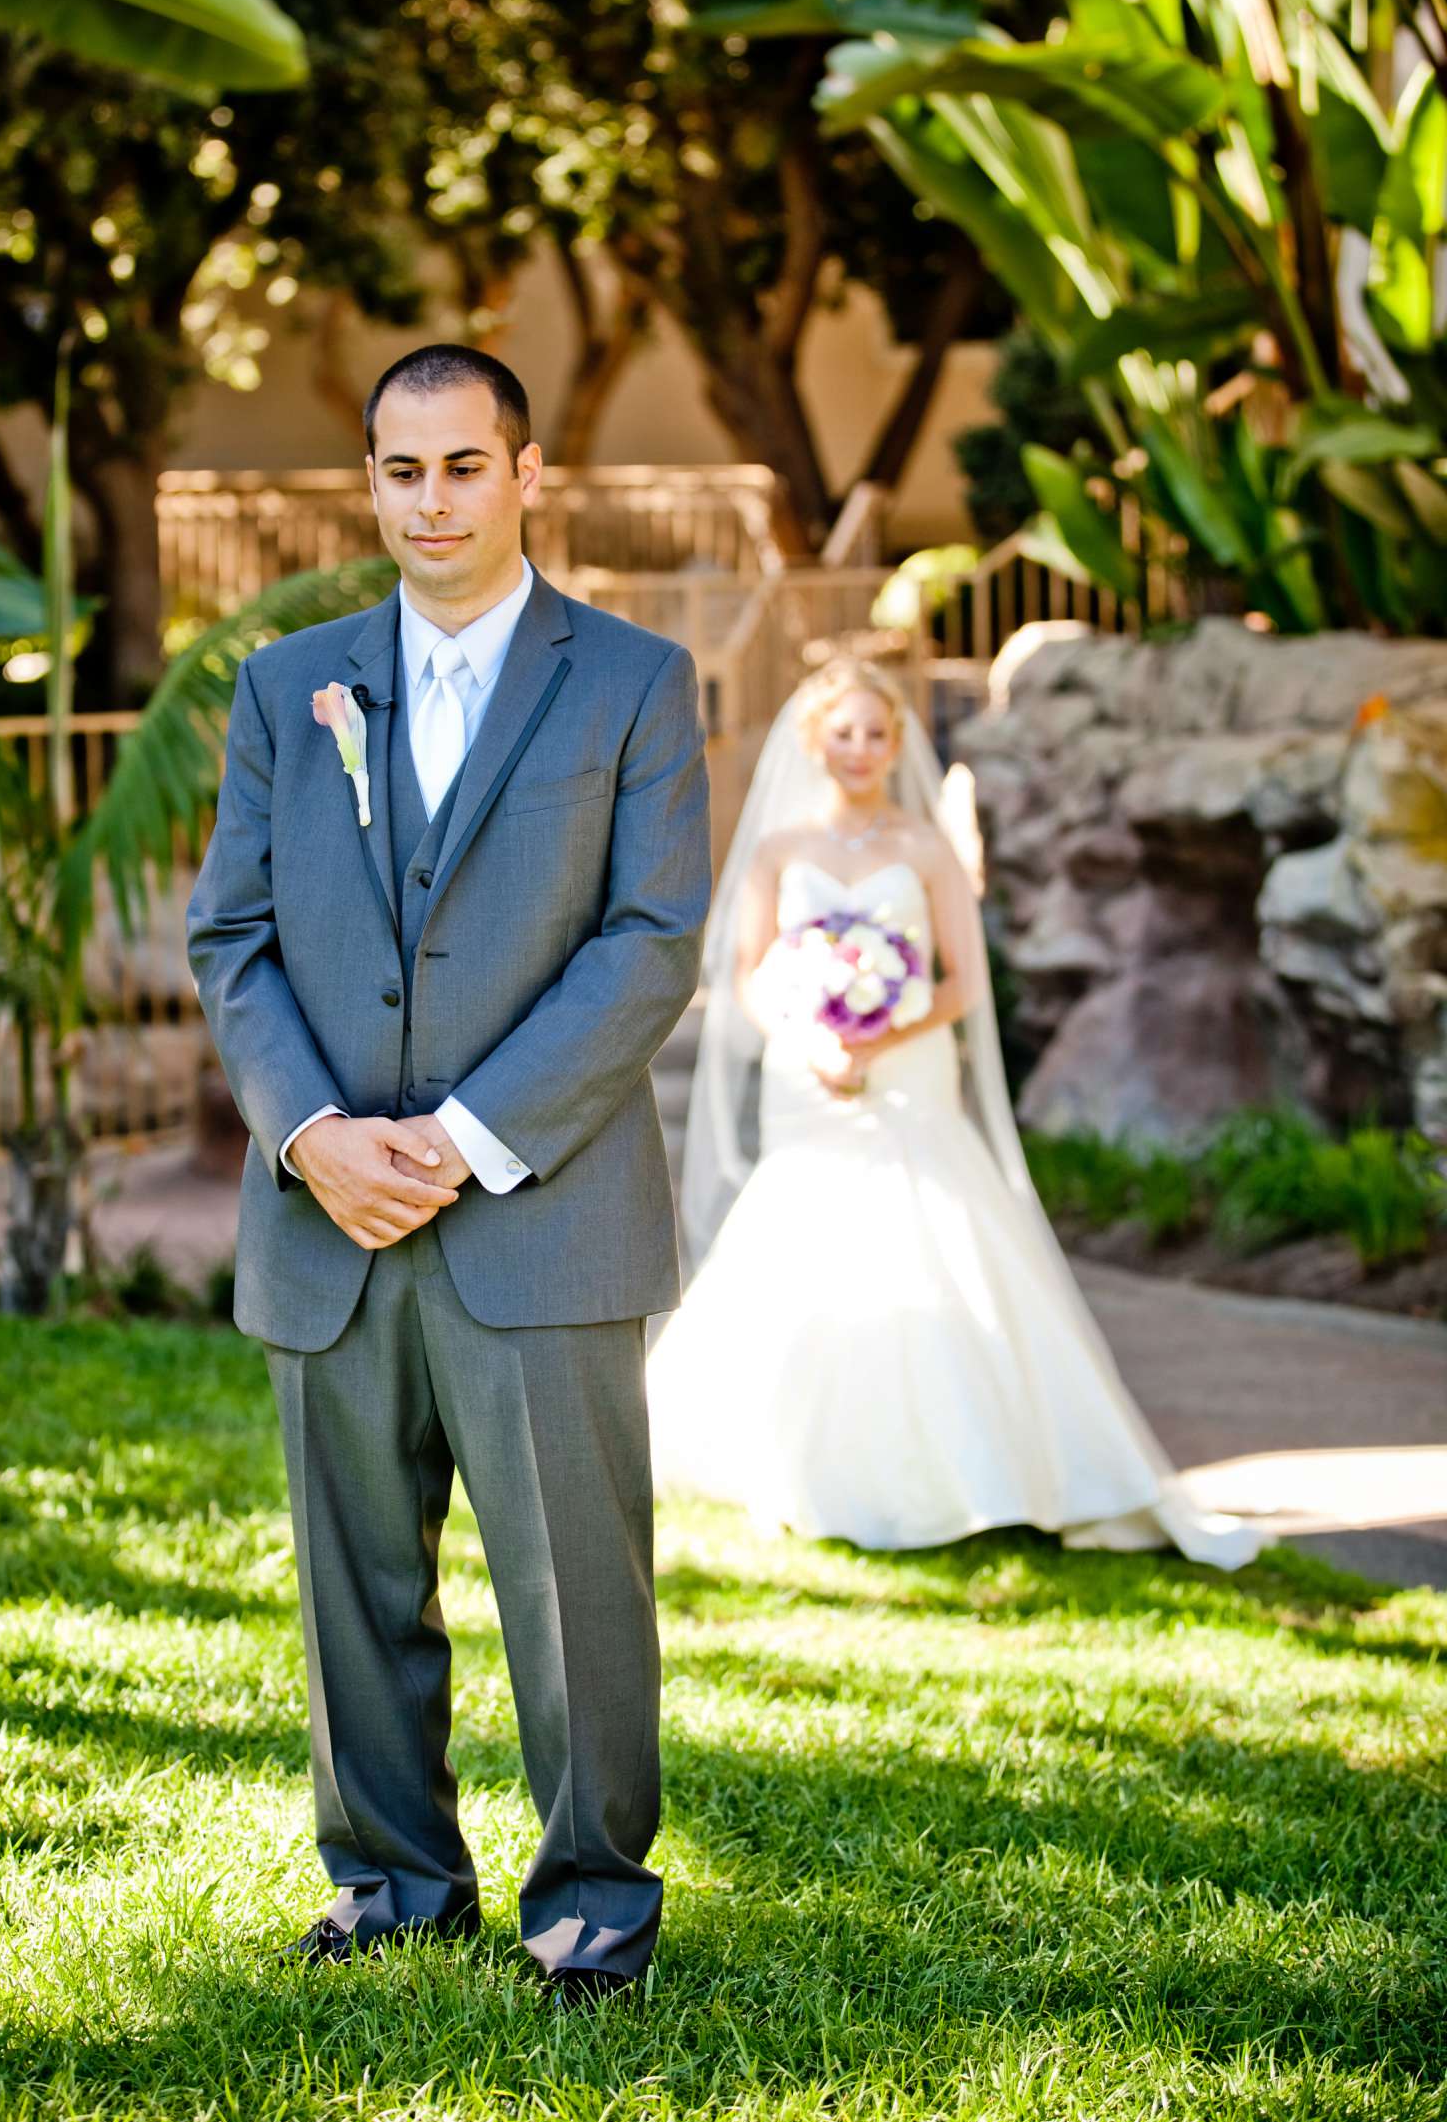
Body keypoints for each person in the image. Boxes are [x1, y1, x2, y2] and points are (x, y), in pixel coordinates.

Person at [187, 344, 711, 2010]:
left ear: (529, 473)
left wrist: (469, 1139)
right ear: (372, 483)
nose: (432, 501)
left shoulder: (634, 681)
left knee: (572, 1584)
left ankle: (594, 1902)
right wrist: (312, 1135)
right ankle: (393, 1879)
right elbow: (234, 937)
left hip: (539, 1210)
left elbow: (650, 945)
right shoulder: (294, 688)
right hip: (325, 1211)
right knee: (355, 1583)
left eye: (464, 467)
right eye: (401, 471)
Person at [648, 656, 1261, 1569]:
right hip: (806, 1075)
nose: (860, 749)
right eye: (844, 732)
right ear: (817, 741)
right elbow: (744, 976)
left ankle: (979, 1467)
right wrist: (816, 1039)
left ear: (899, 744)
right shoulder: (778, 851)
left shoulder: (927, 848)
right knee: (808, 1240)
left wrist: (879, 1036)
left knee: (930, 1234)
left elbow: (962, 984)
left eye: (877, 733)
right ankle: (793, 1459)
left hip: (909, 1072)